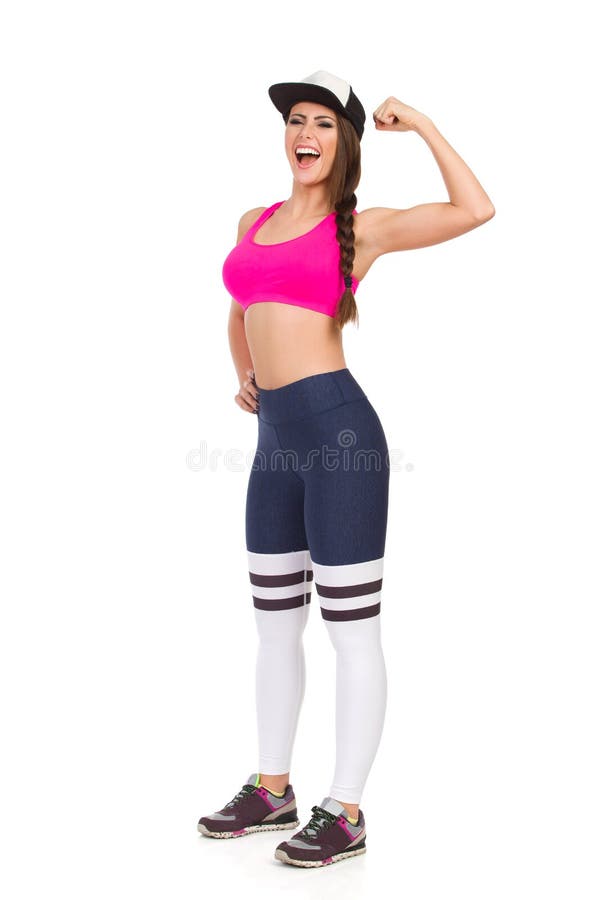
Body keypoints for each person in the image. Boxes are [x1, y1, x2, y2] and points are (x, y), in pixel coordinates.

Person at [197, 70, 495, 868]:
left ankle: (347, 810)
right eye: (297, 120)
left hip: (339, 438)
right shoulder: (252, 221)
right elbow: (240, 306)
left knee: (350, 627)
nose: (306, 133)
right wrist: (244, 374)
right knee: (272, 625)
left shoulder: (356, 228)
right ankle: (272, 789)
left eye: (324, 123)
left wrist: (425, 123)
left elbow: (476, 209)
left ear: (346, 141)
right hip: (276, 445)